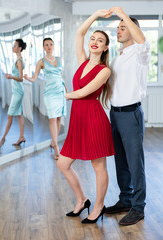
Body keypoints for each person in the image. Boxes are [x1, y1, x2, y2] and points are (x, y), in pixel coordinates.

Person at [57, 9, 115, 224]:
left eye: (100, 40)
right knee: (63, 164)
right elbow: (79, 34)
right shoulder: (82, 61)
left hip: (94, 120)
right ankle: (82, 199)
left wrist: (64, 94)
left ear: (105, 47)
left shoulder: (104, 70)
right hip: (78, 121)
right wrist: (96, 15)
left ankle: (99, 206)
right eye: (93, 38)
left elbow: (84, 92)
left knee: (98, 167)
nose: (94, 42)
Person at [105, 7, 151, 226]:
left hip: (131, 114)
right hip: (115, 114)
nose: (118, 30)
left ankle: (138, 207)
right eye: (118, 28)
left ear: (133, 31)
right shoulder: (117, 58)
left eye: (123, 27)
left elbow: (142, 40)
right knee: (121, 161)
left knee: (135, 163)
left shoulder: (140, 53)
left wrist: (121, 13)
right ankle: (125, 200)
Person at [24, 38, 67, 160]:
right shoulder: (41, 62)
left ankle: (54, 141)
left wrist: (67, 92)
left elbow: (61, 77)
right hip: (50, 93)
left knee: (59, 118)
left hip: (60, 91)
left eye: (51, 44)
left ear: (53, 46)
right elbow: (34, 78)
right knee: (52, 118)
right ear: (43, 47)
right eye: (46, 45)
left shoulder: (59, 59)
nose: (49, 46)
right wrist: (28, 78)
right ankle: (56, 148)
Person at [0, 39, 26, 150]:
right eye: (13, 46)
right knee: (19, 115)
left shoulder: (19, 61)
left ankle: (2, 139)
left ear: (19, 48)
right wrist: (11, 76)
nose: (13, 48)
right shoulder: (18, 60)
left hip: (18, 92)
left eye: (15, 46)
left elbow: (21, 78)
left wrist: (10, 76)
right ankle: (21, 137)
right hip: (17, 91)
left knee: (10, 115)